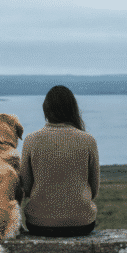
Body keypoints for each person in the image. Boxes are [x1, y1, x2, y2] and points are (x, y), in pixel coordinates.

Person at [19, 85, 100, 237]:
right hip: (82, 224)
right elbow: (94, 190)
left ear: (46, 109)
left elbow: (26, 188)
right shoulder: (88, 140)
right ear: (73, 109)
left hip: (39, 224)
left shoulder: (31, 140)